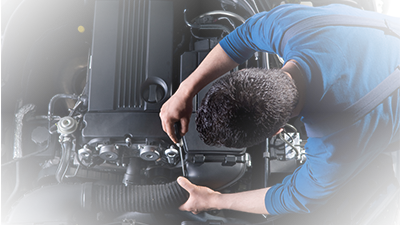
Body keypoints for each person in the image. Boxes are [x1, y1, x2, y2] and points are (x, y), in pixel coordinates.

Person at [159, 3, 400, 215]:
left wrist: (214, 200)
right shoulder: (292, 26)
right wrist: (184, 91)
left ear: (278, 132)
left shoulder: (336, 146)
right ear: (246, 73)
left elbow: (296, 197)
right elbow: (243, 36)